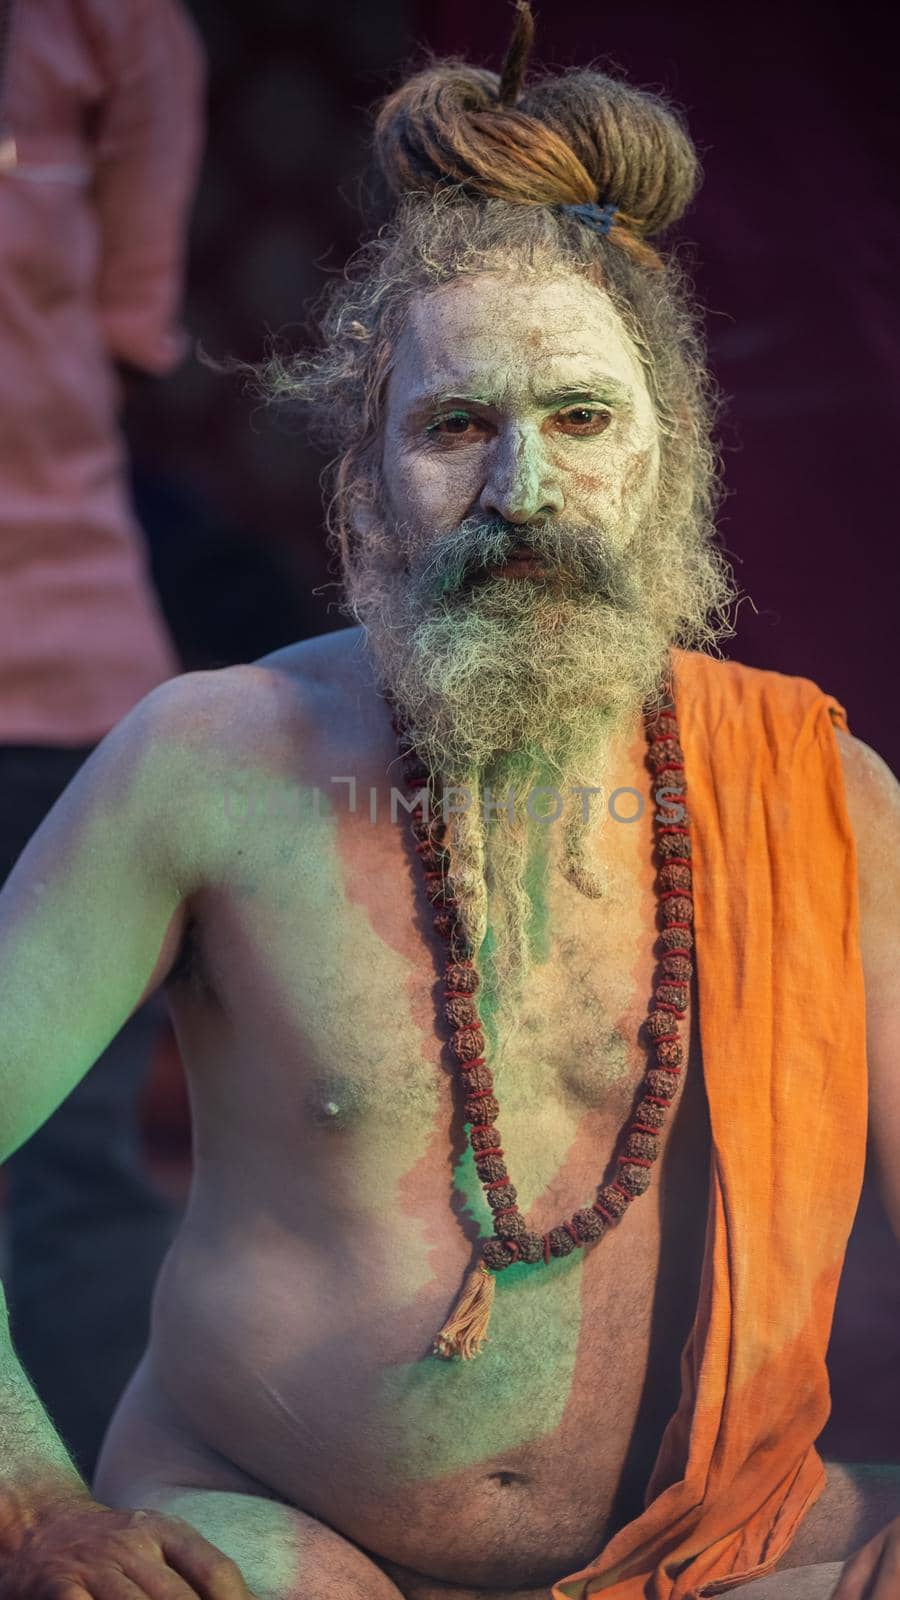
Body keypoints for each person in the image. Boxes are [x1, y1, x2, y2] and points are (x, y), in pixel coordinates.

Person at [0, 7, 898, 1598]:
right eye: (456, 427)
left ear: (670, 465)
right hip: (271, 1529)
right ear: (362, 485)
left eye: (579, 420)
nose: (522, 495)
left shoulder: (822, 800)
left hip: (726, 1538)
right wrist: (38, 1512)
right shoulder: (201, 761)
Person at [0, 0, 205, 1481]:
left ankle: (103, 1521)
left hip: (51, 664)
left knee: (64, 1160)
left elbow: (125, 344)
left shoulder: (112, 31)